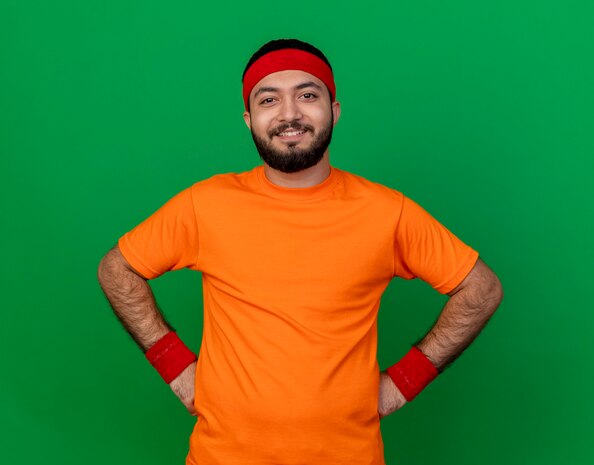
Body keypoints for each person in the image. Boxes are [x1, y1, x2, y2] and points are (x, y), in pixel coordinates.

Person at [97, 38, 504, 465]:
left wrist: (403, 381)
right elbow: (117, 269)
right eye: (269, 99)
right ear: (248, 119)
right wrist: (178, 370)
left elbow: (481, 289)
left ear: (335, 109)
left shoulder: (388, 212)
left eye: (307, 95)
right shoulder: (206, 204)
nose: (289, 114)